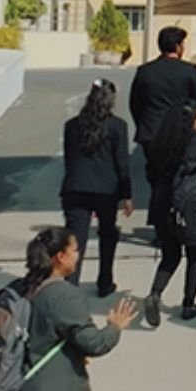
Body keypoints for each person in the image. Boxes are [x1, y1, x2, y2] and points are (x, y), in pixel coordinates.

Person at [0, 228, 136, 391]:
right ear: (60, 256)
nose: (78, 255)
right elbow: (93, 343)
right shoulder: (63, 295)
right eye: (75, 250)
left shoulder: (17, 288)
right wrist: (114, 327)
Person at [143, 100, 196, 325]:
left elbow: (150, 172)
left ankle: (155, 293)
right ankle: (188, 303)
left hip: (163, 205)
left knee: (170, 255)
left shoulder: (160, 141)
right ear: (190, 122)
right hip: (189, 207)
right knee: (195, 254)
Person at [60, 79, 133, 297]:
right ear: (112, 100)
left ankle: (71, 284)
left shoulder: (72, 125)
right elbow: (122, 163)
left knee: (75, 240)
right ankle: (105, 281)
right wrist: (126, 195)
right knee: (107, 235)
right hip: (106, 190)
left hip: (76, 187)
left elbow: (69, 160)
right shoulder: (118, 126)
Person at [129, 25, 196, 154]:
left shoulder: (145, 71)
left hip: (151, 132)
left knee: (154, 166)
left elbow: (135, 104)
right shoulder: (189, 70)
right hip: (180, 132)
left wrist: (144, 124)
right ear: (178, 47)